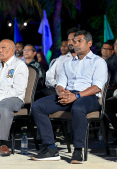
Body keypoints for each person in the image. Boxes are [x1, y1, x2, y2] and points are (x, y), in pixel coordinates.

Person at [31, 30, 108, 164]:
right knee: (38, 106)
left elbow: (97, 87)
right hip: (68, 95)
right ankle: (50, 148)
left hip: (89, 97)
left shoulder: (98, 62)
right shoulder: (68, 63)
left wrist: (76, 95)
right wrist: (62, 93)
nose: (75, 44)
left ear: (89, 43)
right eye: (74, 41)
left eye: (80, 41)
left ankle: (78, 150)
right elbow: (60, 84)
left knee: (78, 108)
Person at [34, 27, 80, 100]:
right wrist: (57, 85)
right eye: (69, 40)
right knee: (36, 95)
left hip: (76, 92)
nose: (70, 43)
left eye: (73, 40)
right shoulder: (61, 59)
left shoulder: (86, 59)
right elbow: (49, 76)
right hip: (56, 90)